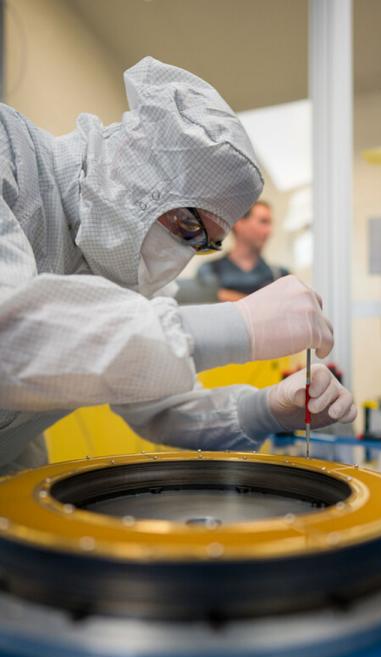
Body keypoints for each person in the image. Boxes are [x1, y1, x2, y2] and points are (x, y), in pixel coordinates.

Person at [0, 57, 356, 474]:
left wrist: (269, 408)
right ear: (133, 172)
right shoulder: (10, 153)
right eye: (187, 225)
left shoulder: (128, 269)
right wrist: (240, 325)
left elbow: (162, 406)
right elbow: (14, 336)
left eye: (206, 244)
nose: (183, 255)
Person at [196, 200, 289, 301]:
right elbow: (208, 298)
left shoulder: (280, 275)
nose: (269, 231)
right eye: (263, 222)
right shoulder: (210, 270)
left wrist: (228, 296)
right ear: (239, 223)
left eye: (270, 223)